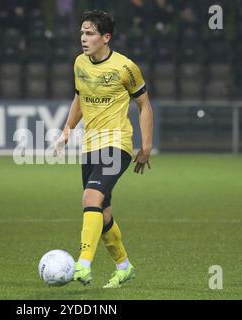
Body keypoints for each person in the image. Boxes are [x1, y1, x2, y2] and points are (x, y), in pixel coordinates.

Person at [55, 10, 153, 288]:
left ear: (106, 37)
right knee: (102, 212)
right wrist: (67, 130)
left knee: (90, 197)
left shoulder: (125, 68)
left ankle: (82, 265)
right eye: (82, 32)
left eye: (90, 33)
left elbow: (145, 105)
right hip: (90, 146)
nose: (83, 38)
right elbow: (79, 97)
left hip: (117, 144)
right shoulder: (79, 64)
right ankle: (124, 267)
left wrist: (146, 146)